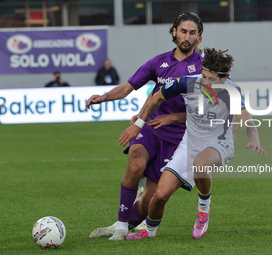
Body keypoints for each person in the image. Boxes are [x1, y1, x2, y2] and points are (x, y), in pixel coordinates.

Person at [118, 47, 266, 240]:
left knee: (200, 163)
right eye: (204, 76)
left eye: (211, 79)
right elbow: (158, 96)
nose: (205, 83)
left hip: (219, 144)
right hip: (188, 145)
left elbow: (245, 115)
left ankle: (204, 208)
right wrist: (139, 124)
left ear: (225, 77)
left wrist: (254, 138)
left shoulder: (232, 91)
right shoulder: (188, 83)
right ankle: (150, 232)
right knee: (160, 195)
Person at [86, 12, 204, 241]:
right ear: (174, 31)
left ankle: (120, 225)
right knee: (135, 159)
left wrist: (172, 118)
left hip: (180, 137)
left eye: (192, 33)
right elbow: (128, 87)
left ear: (199, 37)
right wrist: (104, 97)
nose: (186, 37)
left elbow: (205, 114)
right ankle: (121, 226)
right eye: (183, 31)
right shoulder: (158, 62)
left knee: (151, 198)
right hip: (151, 128)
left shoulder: (203, 69)